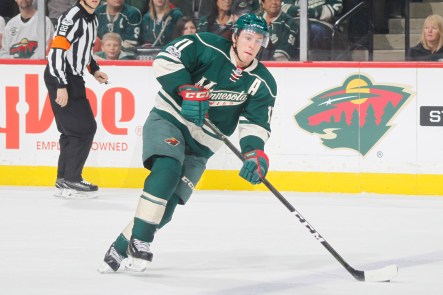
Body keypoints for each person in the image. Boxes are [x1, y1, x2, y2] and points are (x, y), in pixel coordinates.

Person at [98, 13, 277, 273]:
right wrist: (185, 88)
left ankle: (121, 244)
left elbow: (256, 124)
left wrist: (254, 153)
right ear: (236, 36)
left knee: (167, 209)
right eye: (248, 37)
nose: (252, 45)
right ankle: (142, 240)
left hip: (204, 144)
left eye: (258, 40)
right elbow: (165, 59)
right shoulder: (205, 45)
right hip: (170, 118)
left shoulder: (263, 82)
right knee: (167, 169)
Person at [44, 0, 109, 198]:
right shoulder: (71, 16)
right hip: (63, 77)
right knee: (85, 128)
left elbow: (84, 51)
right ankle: (72, 179)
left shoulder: (93, 18)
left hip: (72, 78)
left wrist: (94, 69)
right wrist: (61, 84)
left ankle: (63, 180)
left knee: (71, 132)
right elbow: (57, 51)